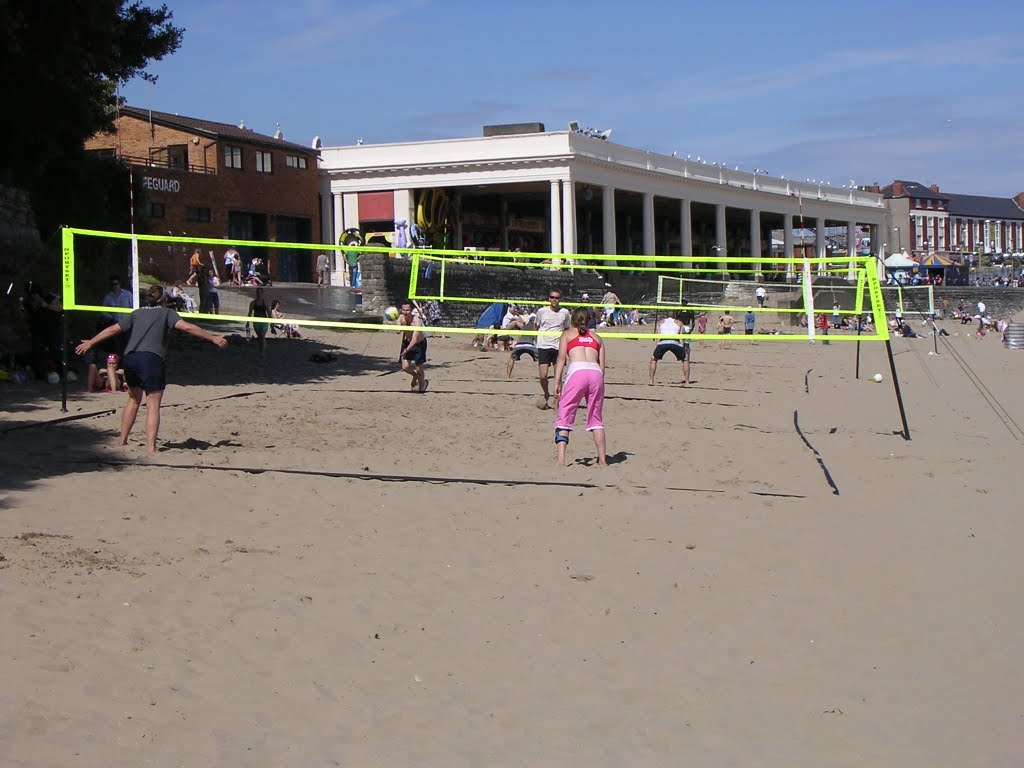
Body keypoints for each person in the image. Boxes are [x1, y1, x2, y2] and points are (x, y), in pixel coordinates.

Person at [74, 285, 228, 453]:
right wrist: (213, 338)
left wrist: (91, 342)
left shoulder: (137, 313)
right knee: (153, 406)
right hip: (150, 359)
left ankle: (122, 441)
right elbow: (188, 327)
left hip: (130, 359)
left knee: (133, 400)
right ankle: (150, 448)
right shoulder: (167, 313)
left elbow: (113, 329)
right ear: (165, 301)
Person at [553, 307, 607, 467]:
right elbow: (602, 367)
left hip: (577, 371)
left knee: (565, 414)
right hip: (595, 373)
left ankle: (561, 460)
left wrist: (557, 382)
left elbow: (561, 359)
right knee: (596, 418)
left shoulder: (567, 335)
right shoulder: (597, 338)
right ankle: (603, 460)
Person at [534, 289, 570, 409]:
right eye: (552, 297)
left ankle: (556, 400)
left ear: (560, 299)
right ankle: (546, 393)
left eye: (557, 297)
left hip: (558, 346)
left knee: (558, 376)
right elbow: (536, 326)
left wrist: (566, 346)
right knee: (543, 376)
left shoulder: (565, 313)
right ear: (549, 298)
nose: (554, 299)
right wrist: (536, 339)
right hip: (543, 345)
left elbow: (566, 329)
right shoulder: (542, 311)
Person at [649, 310, 691, 385]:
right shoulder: (679, 323)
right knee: (685, 359)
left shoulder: (660, 322)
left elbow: (658, 337)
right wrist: (682, 347)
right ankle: (687, 381)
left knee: (654, 359)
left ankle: (651, 381)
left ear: (666, 315)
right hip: (675, 342)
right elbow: (681, 337)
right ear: (674, 316)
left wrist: (657, 347)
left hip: (663, 342)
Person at [398, 298, 428, 393]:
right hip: (408, 343)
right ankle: (415, 376)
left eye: (407, 310)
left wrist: (406, 350)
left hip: (419, 344)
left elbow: (415, 339)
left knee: (419, 368)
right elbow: (397, 330)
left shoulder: (416, 321)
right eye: (403, 310)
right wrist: (397, 325)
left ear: (411, 311)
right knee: (405, 367)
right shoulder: (401, 318)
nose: (405, 312)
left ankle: (422, 383)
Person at [247, 287, 271, 358]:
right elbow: (250, 313)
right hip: (256, 322)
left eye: (260, 292)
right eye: (257, 292)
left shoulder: (266, 303)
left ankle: (262, 353)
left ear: (263, 294)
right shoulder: (253, 303)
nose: (259, 294)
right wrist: (247, 322)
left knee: (262, 337)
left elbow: (269, 314)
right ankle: (260, 351)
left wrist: (272, 324)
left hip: (264, 322)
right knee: (259, 337)